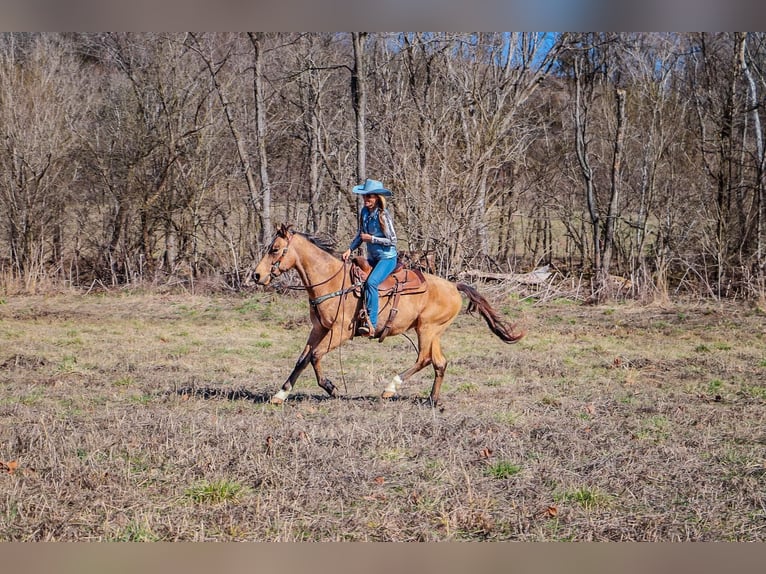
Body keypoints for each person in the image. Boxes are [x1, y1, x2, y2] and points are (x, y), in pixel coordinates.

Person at [342, 178, 398, 337]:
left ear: (377, 198)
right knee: (355, 277)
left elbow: (393, 240)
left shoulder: (383, 215)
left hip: (387, 258)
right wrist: (349, 249)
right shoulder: (364, 213)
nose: (366, 200)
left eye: (370, 197)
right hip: (373, 257)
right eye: (365, 196)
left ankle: (371, 323)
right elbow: (361, 235)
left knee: (372, 283)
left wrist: (372, 239)